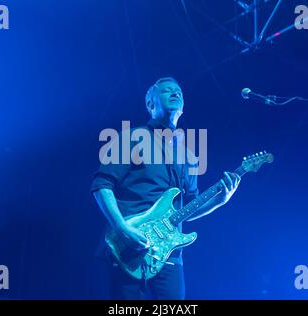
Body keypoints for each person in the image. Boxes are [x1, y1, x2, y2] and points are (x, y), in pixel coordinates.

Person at [91, 77, 241, 299]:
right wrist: (122, 228)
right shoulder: (132, 138)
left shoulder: (189, 157)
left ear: (182, 108)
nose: (175, 93)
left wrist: (220, 201)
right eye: (167, 91)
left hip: (170, 254)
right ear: (150, 105)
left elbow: (189, 209)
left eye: (178, 91)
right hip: (129, 247)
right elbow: (101, 185)